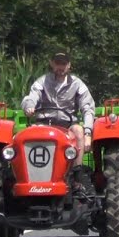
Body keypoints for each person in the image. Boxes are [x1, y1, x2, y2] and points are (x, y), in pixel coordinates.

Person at [21, 52, 96, 193]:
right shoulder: (42, 81)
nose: (60, 67)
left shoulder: (76, 84)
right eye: (57, 63)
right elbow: (31, 96)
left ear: (69, 65)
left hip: (66, 125)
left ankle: (76, 175)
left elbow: (88, 107)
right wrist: (29, 106)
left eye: (63, 64)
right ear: (52, 64)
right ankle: (28, 179)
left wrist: (88, 133)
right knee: (26, 136)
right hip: (44, 123)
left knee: (78, 131)